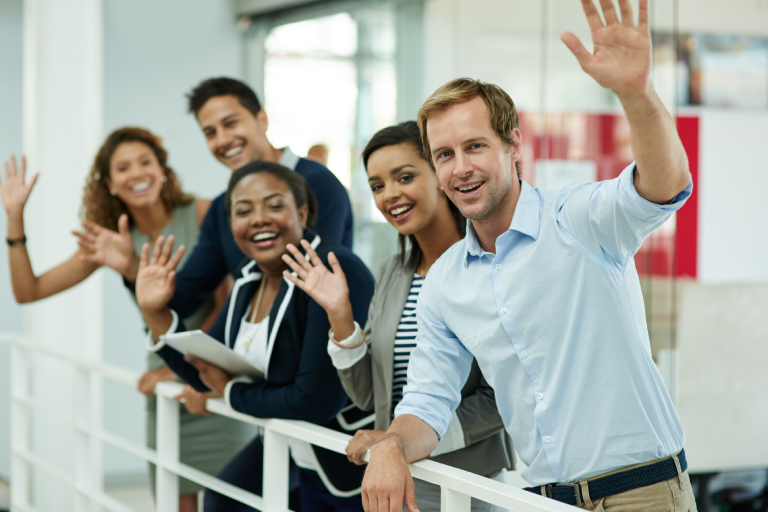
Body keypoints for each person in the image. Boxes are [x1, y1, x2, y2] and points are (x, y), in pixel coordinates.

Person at [361, 1, 696, 511]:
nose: (461, 168)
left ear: (513, 143)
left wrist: (636, 92)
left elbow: (664, 186)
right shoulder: (446, 281)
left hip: (641, 493)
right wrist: (391, 445)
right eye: (445, 155)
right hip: (539, 501)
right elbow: (427, 404)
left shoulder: (578, 219)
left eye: (475, 146)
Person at [0, 128, 256, 512]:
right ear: (110, 184)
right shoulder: (110, 241)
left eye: (145, 162)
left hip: (214, 379)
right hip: (164, 387)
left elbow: (232, 300)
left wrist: (189, 369)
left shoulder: (204, 213)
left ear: (162, 169)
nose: (137, 173)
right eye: (123, 167)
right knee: (174, 502)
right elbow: (29, 291)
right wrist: (15, 217)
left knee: (237, 499)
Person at [282, 121, 514, 512]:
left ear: (441, 176)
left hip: (467, 485)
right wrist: (340, 316)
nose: (390, 195)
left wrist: (400, 441)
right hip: (400, 480)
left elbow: (501, 397)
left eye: (404, 177)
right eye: (376, 186)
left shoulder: (487, 266)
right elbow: (372, 394)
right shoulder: (393, 272)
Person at [135, 161, 375, 512]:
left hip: (347, 458)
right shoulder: (249, 277)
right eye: (243, 211)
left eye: (275, 205)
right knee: (221, 501)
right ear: (230, 225)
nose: (258, 218)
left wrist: (231, 391)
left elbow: (315, 401)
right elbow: (206, 369)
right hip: (289, 445)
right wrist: (154, 311)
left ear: (303, 212)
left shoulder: (332, 268)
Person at [120, 78, 354, 325]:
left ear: (262, 120)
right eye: (210, 133)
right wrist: (133, 268)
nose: (222, 140)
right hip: (250, 349)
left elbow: (315, 283)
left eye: (230, 124)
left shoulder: (319, 184)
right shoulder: (223, 207)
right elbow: (185, 297)